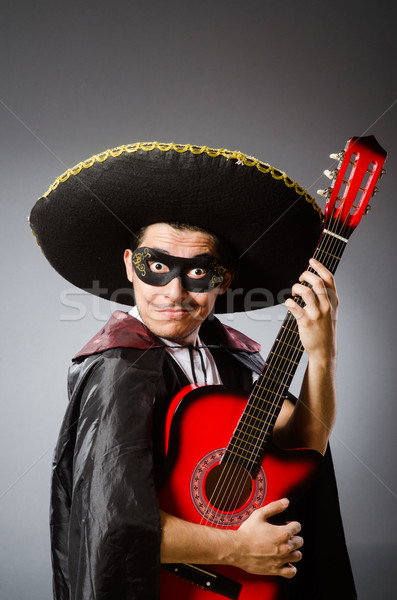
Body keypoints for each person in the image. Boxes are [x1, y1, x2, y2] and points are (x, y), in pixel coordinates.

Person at [30, 142, 356, 599]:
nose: (174, 291)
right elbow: (114, 524)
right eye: (157, 266)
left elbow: (302, 449)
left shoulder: (232, 357)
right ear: (130, 266)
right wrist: (236, 549)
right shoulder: (117, 371)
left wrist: (321, 357)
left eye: (199, 273)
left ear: (224, 280)